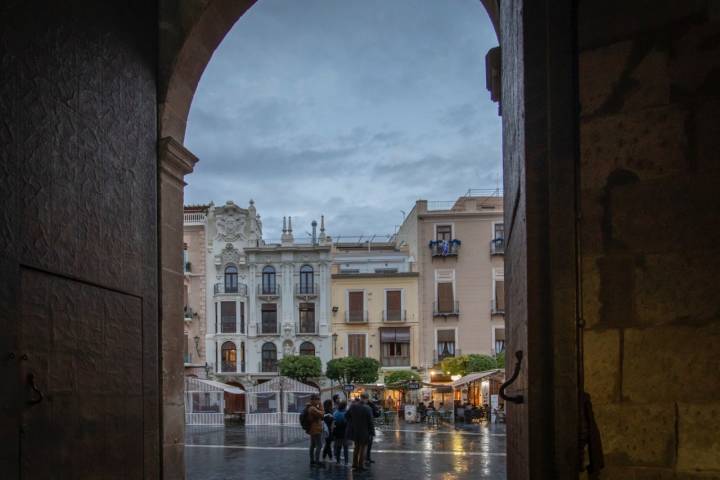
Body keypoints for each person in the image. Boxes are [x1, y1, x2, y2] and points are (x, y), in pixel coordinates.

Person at [345, 392, 373, 472]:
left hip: (355, 430)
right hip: (364, 431)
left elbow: (346, 416)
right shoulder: (367, 408)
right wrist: (372, 432)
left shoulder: (353, 406)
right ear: (366, 398)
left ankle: (354, 464)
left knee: (356, 447)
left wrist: (353, 422)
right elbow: (370, 422)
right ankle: (361, 465)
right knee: (363, 448)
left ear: (360, 397)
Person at [305, 394, 325, 468]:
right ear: (313, 400)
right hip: (315, 429)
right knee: (319, 445)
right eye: (317, 399)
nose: (318, 401)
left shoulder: (311, 407)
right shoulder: (312, 408)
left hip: (313, 428)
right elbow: (322, 414)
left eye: (319, 399)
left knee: (313, 445)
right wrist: (321, 404)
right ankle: (317, 461)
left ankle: (312, 460)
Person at [333, 400, 349, 465]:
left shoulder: (335, 413)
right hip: (345, 432)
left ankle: (338, 461)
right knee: (345, 448)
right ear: (344, 406)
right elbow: (348, 422)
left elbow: (333, 423)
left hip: (337, 433)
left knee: (338, 447)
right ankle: (346, 462)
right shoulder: (346, 413)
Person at [366, 398, 380, 466]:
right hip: (368, 428)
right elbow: (377, 414)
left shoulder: (358, 405)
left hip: (362, 428)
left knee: (363, 445)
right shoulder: (370, 407)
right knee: (368, 444)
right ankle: (367, 458)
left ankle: (366, 458)